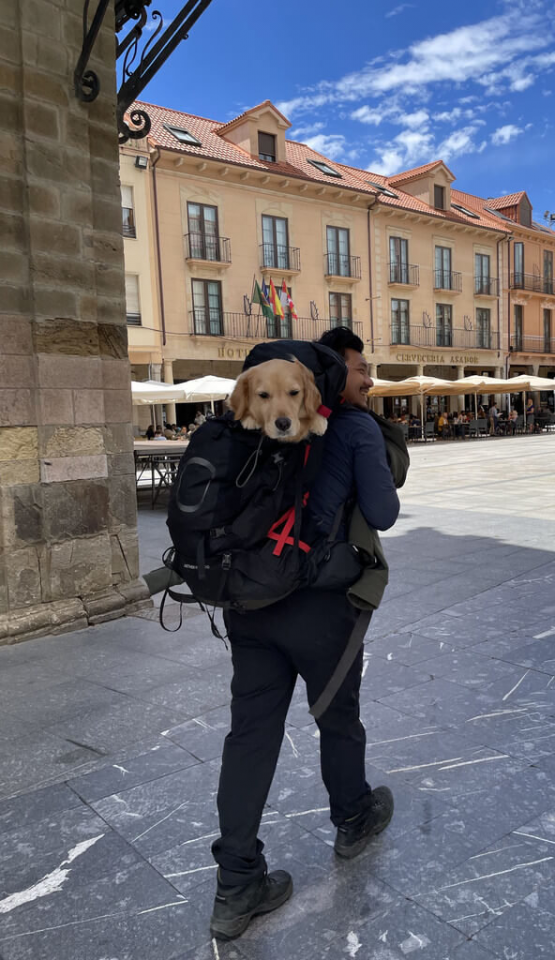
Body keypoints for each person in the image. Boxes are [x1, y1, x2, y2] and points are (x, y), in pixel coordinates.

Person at [210, 327, 401, 941]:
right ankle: (352, 817)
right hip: (319, 606)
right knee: (337, 717)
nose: (366, 379)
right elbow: (384, 512)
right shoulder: (347, 425)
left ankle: (237, 884)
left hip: (250, 600)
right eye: (360, 370)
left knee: (250, 736)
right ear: (334, 378)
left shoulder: (246, 418)